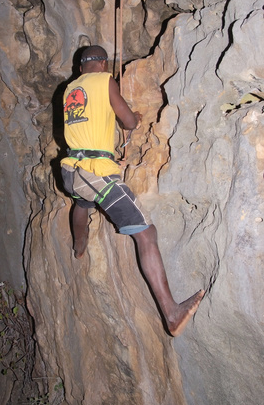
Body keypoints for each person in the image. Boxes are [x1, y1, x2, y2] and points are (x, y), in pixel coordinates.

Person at [60, 45, 204, 336]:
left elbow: (89, 118)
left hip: (70, 170)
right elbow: (127, 121)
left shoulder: (69, 89)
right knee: (146, 233)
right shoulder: (105, 81)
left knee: (82, 203)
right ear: (103, 64)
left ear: (80, 69)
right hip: (95, 173)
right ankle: (172, 313)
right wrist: (134, 119)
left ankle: (79, 246)